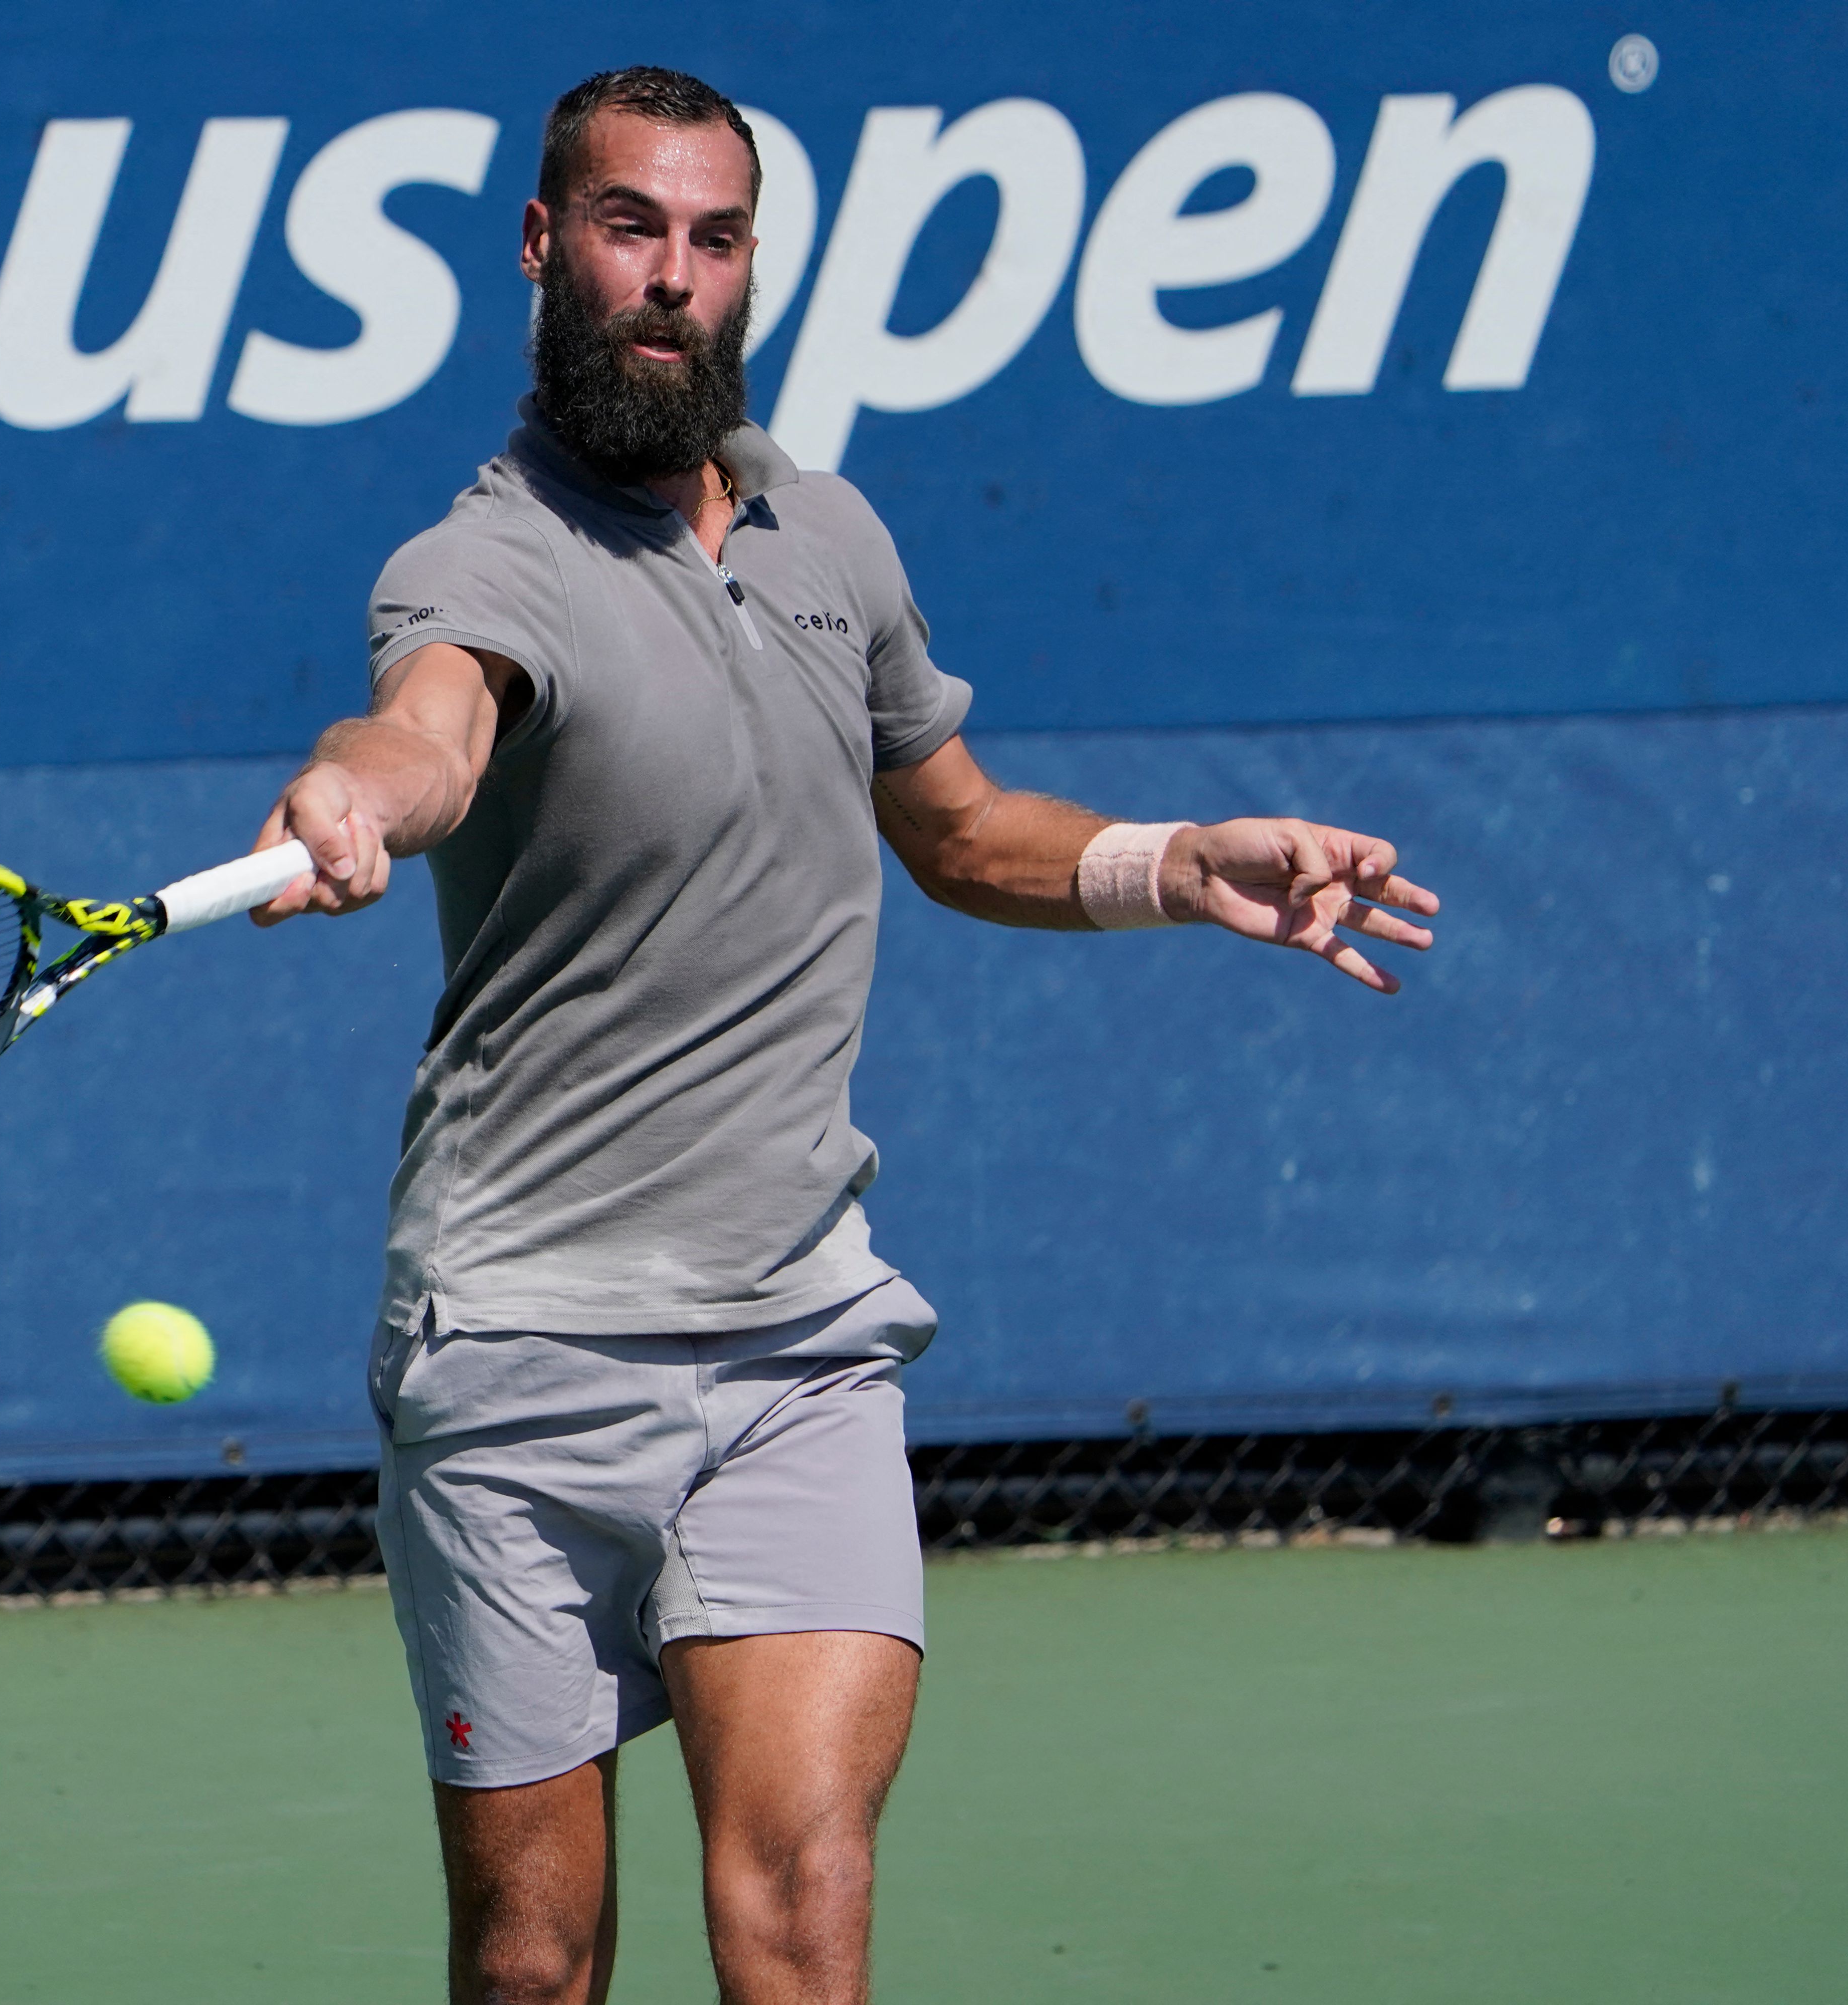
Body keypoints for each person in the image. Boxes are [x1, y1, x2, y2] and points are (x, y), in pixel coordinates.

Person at [248, 65, 1439, 2005]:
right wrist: (357, 788)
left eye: (716, 242)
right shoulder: (477, 565)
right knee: (537, 1962)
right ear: (549, 250)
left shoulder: (832, 537)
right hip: (525, 1349)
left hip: (798, 1340)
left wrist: (1175, 861)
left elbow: (960, 827)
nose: (674, 282)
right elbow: (430, 727)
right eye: (632, 229)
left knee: (802, 1912)